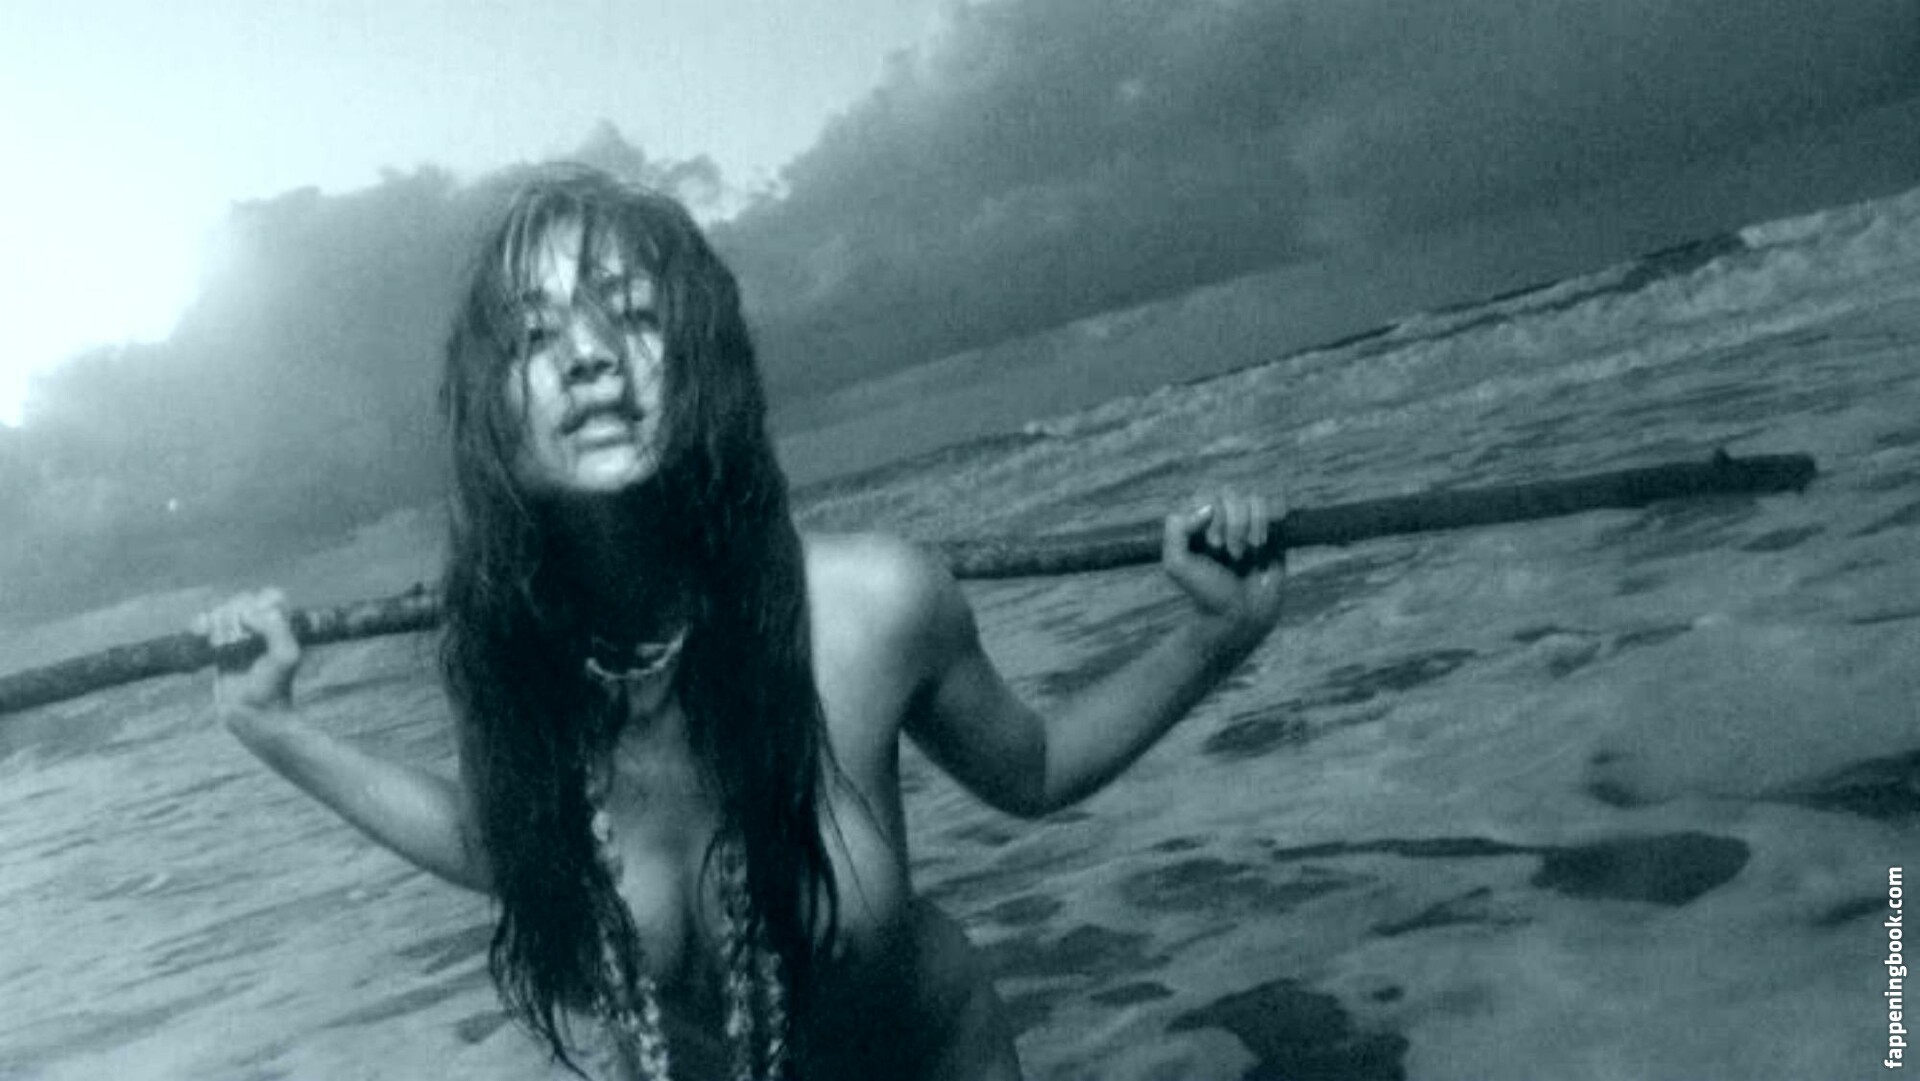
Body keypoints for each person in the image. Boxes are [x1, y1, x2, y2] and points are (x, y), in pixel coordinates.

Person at [196, 164, 1285, 1081]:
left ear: (701, 361)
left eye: (633, 315)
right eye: (535, 335)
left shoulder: (869, 605)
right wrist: (277, 730)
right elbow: (507, 847)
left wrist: (1215, 636)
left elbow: (1033, 768)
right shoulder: (512, 658)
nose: (589, 355)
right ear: (493, 414)